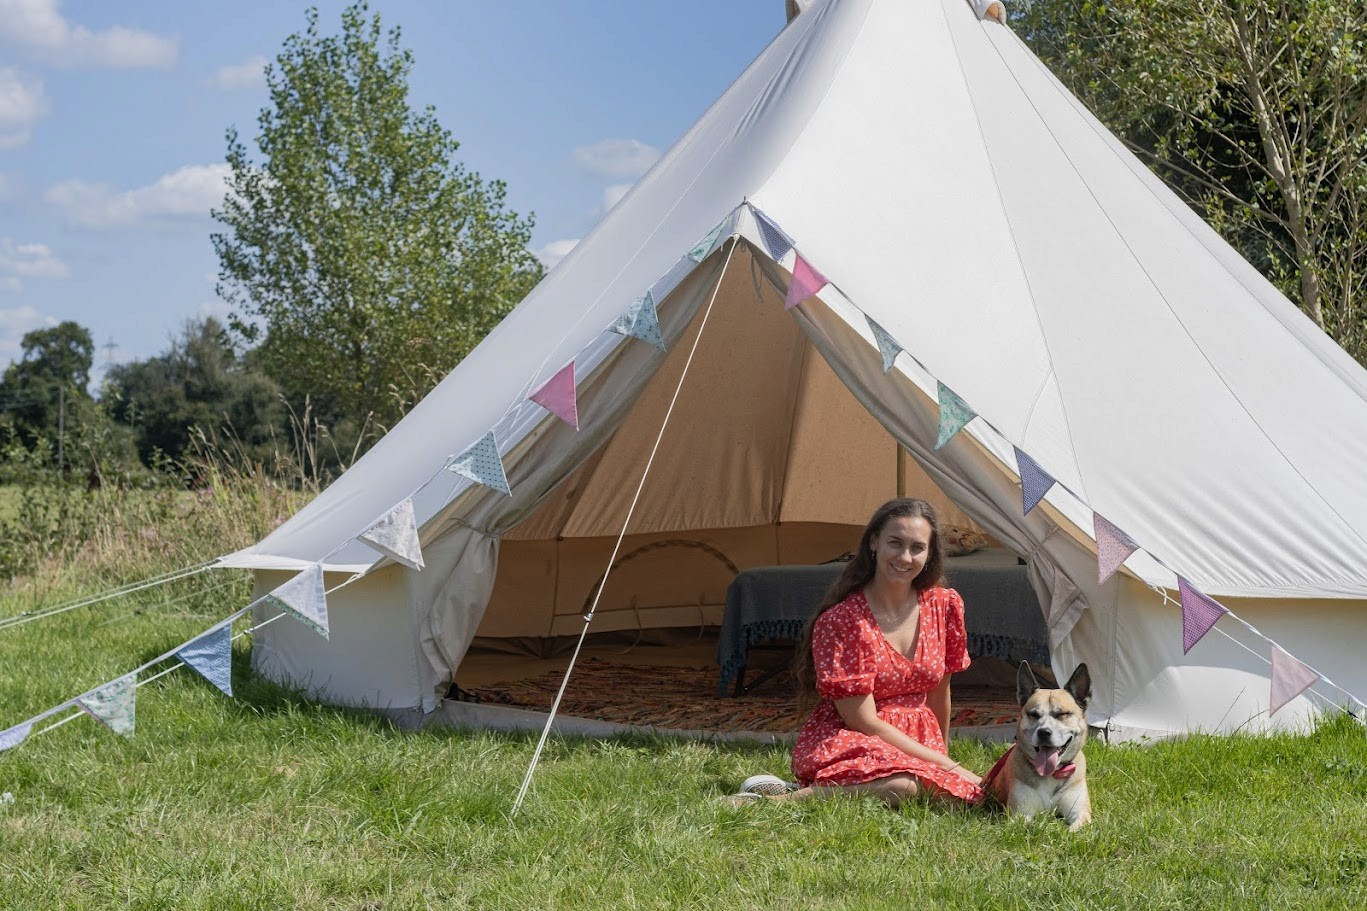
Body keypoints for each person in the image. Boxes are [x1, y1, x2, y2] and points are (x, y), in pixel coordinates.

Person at [729, 498, 983, 807]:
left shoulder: (943, 606)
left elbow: (940, 693)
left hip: (918, 739)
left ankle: (808, 788)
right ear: (874, 542)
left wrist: (942, 757)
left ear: (929, 554)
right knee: (905, 786)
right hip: (859, 737)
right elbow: (864, 721)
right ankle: (778, 802)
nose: (905, 557)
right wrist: (948, 768)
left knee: (960, 799)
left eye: (917, 547)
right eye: (895, 543)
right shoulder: (843, 621)